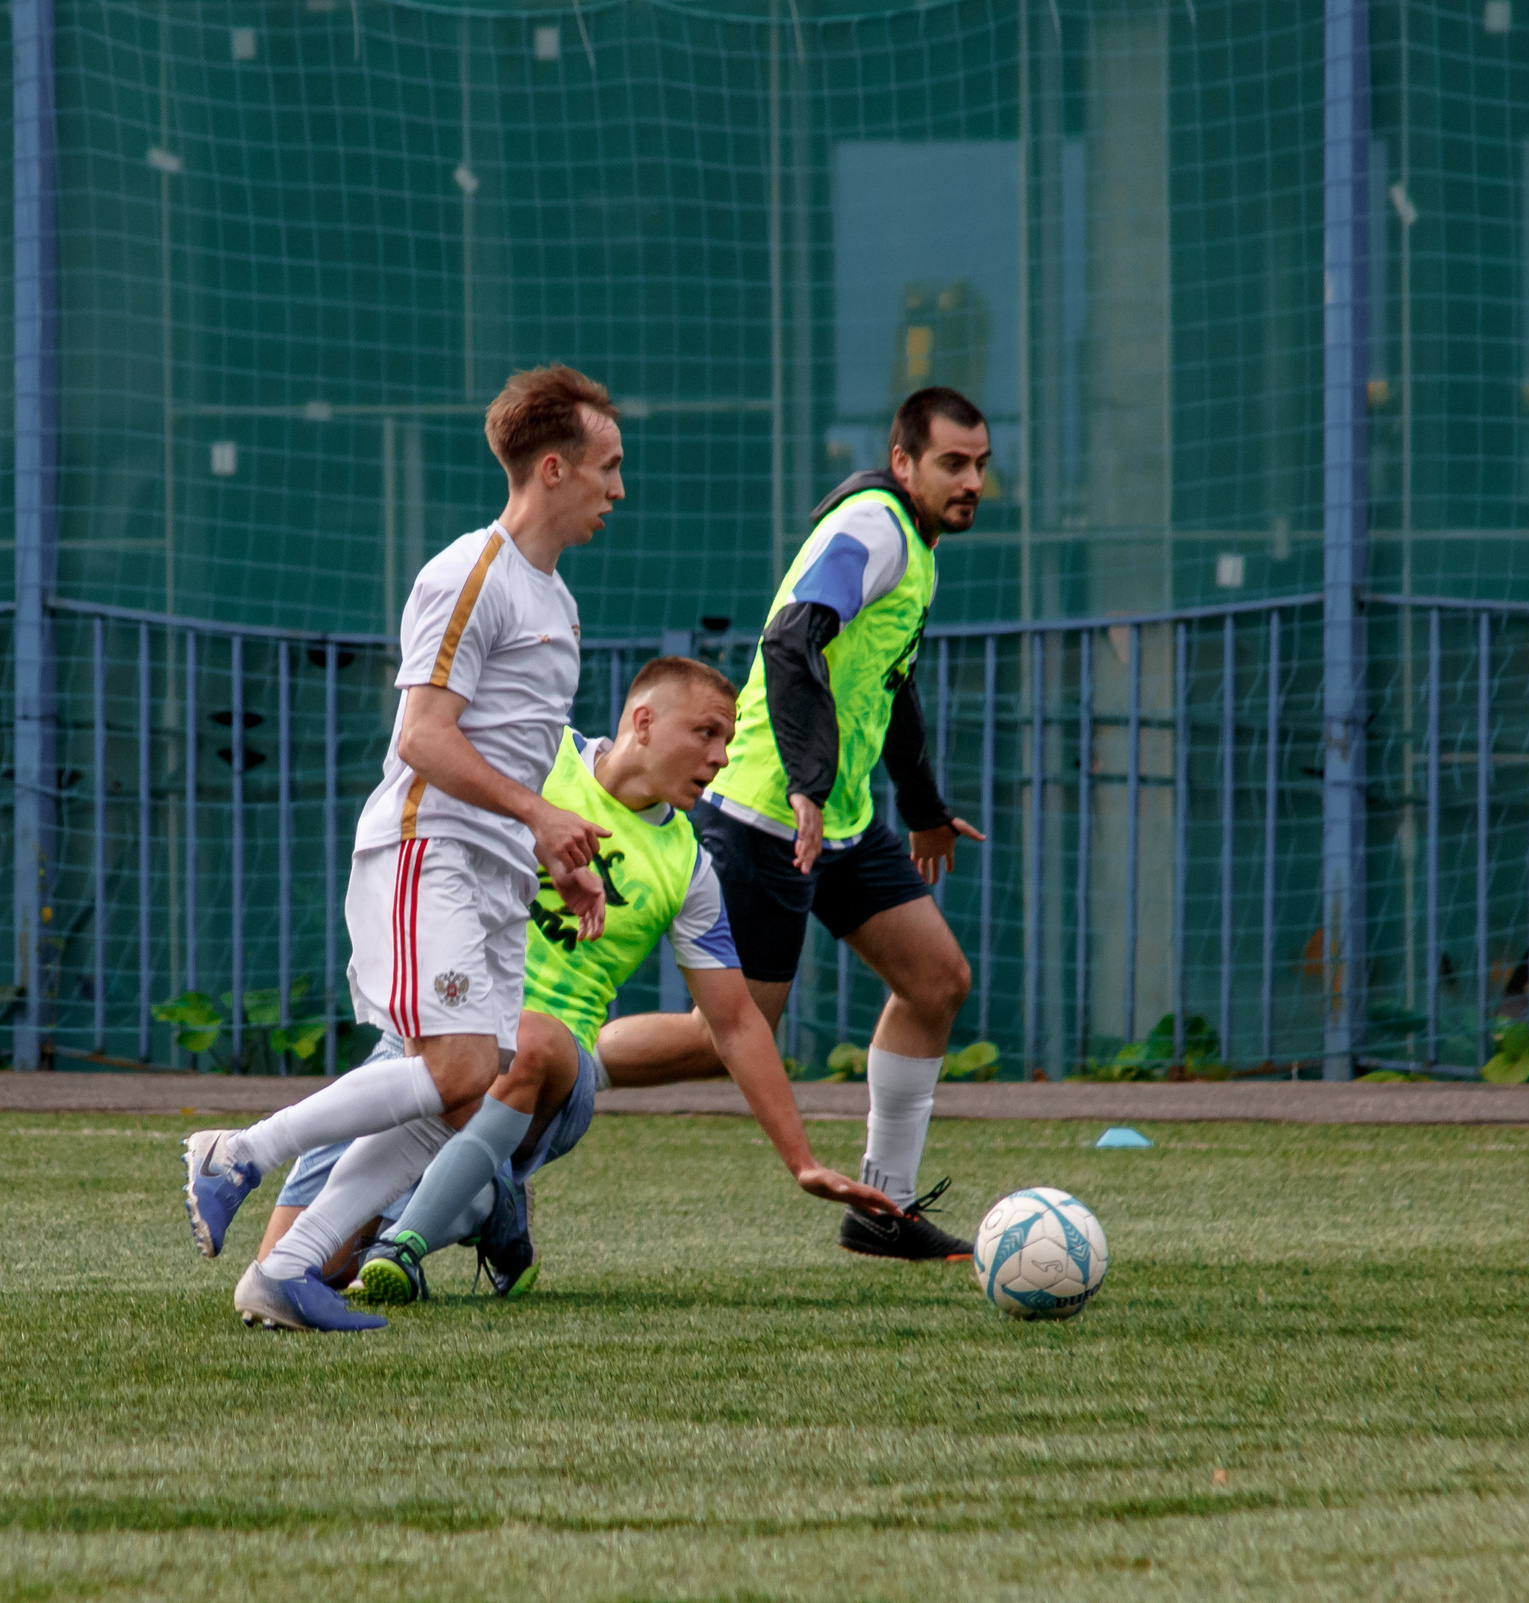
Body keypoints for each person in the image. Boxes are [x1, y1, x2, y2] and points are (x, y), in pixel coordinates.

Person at [184, 364, 623, 1332]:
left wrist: (551, 844)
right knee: (463, 1067)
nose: (617, 490)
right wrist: (539, 816)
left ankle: (287, 1273)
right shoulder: (471, 570)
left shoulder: (558, 602)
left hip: (494, 870)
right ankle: (239, 1152)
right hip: (430, 848)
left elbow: (513, 746)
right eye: (607, 467)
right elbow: (423, 737)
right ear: (553, 469)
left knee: (467, 1088)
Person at [249, 658, 897, 1308]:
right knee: (290, 1267)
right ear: (642, 722)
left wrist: (802, 1161)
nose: (722, 756)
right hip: (429, 1042)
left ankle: (406, 1244)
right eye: (706, 733)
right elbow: (431, 743)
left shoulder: (689, 866)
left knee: (524, 1036)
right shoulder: (541, 754)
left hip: (555, 1067)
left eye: (727, 740)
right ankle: (490, 1201)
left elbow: (733, 1023)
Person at [697, 385, 987, 1263]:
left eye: (979, 464)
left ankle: (881, 1210)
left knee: (936, 981)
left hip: (841, 820)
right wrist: (809, 786)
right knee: (733, 1037)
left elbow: (882, 682)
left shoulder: (918, 547)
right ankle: (547, 1065)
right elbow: (792, 643)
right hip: (767, 810)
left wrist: (924, 809)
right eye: (951, 463)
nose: (970, 479)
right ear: (903, 463)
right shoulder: (873, 527)